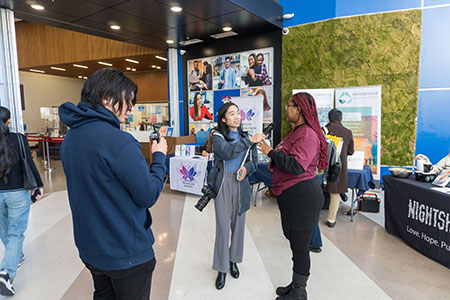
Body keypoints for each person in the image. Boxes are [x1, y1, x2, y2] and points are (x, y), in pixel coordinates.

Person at [59, 68, 167, 300]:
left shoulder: (71, 139)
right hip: (126, 252)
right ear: (107, 99)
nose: (130, 108)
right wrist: (159, 157)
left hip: (91, 250)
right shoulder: (119, 142)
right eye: (127, 100)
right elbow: (148, 194)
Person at [258, 92, 328, 300]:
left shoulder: (307, 134)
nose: (286, 109)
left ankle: (299, 292)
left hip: (302, 197)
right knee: (295, 243)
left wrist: (270, 152)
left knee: (300, 247)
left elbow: (297, 165)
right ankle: (295, 283)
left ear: (298, 109)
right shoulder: (296, 132)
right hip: (292, 196)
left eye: (289, 106)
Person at [207, 102, 265, 290]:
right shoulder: (216, 135)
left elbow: (254, 162)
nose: (237, 117)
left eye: (238, 113)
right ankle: (222, 268)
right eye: (232, 114)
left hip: (241, 184)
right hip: (223, 183)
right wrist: (250, 141)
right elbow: (225, 152)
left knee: (238, 225)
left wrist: (246, 169)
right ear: (224, 119)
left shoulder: (246, 136)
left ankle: (233, 261)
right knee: (223, 227)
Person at [0, 107, 43, 296]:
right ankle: (6, 273)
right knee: (16, 232)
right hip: (18, 192)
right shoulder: (18, 138)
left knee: (4, 228)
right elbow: (30, 163)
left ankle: (16, 255)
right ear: (9, 121)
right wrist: (39, 185)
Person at [324, 109, 354, 228]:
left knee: (317, 191)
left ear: (328, 119)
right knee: (335, 194)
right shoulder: (347, 132)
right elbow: (351, 151)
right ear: (341, 119)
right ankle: (331, 220)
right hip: (337, 168)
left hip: (322, 167)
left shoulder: (322, 131)